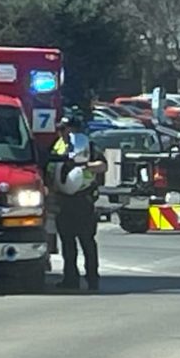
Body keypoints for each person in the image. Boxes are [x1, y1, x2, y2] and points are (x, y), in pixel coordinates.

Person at [50, 116, 107, 291]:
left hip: (83, 199)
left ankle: (92, 279)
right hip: (63, 200)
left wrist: (85, 166)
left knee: (87, 241)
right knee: (67, 243)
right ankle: (70, 279)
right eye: (61, 128)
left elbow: (103, 166)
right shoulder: (57, 145)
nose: (62, 131)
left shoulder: (87, 145)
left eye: (65, 128)